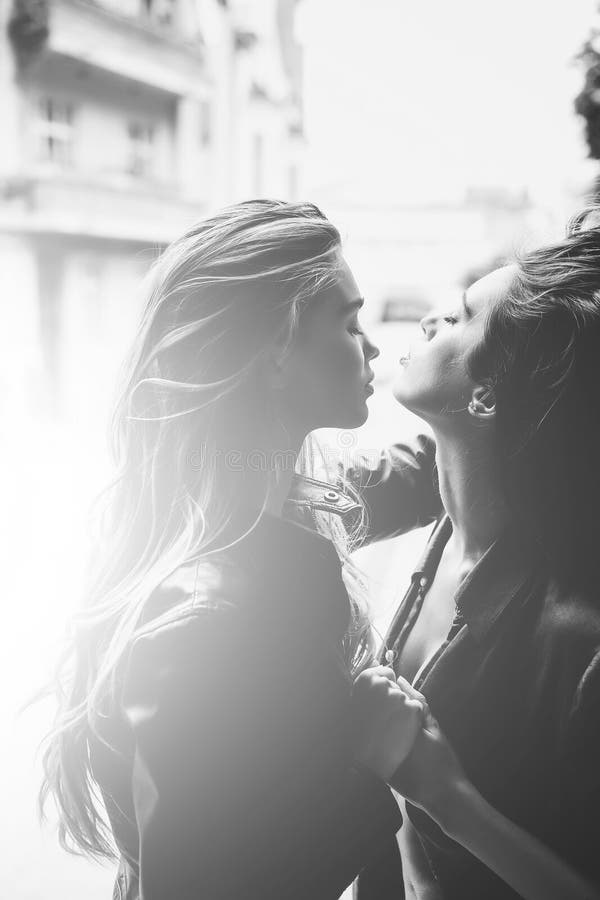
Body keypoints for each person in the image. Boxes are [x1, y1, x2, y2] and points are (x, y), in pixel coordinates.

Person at [37, 200, 427, 900]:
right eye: (348, 322)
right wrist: (368, 762)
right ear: (277, 350)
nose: (371, 348)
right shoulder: (209, 619)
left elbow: (403, 476)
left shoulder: (266, 504)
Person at [354, 208, 600, 899]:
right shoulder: (448, 515)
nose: (430, 318)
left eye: (459, 318)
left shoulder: (579, 639)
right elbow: (354, 488)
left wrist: (450, 799)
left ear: (487, 396)